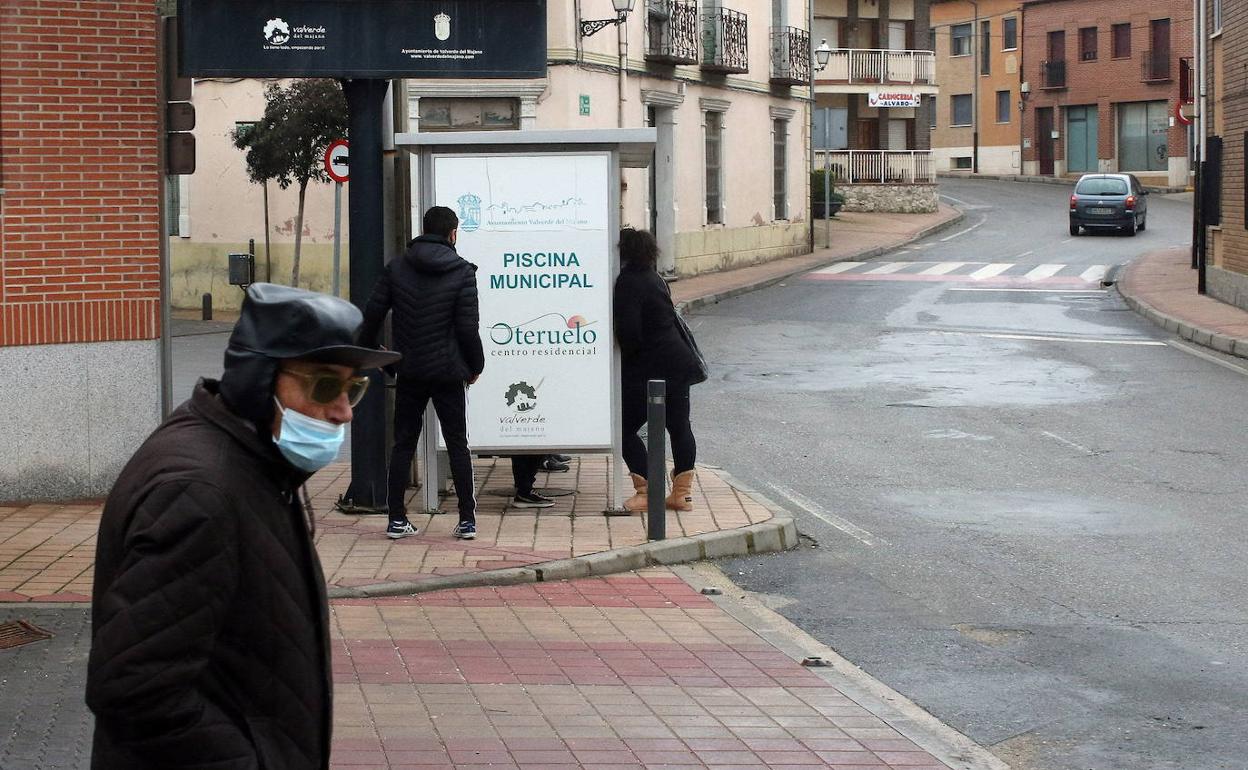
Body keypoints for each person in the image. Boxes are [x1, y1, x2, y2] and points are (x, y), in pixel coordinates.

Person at [86, 284, 399, 770]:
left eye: (353, 386)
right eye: (323, 386)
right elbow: (137, 689)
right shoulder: (200, 492)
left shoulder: (254, 463)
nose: (344, 410)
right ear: (260, 380)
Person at [360, 205, 485, 540]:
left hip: (410, 369)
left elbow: (372, 313)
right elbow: (467, 328)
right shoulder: (462, 272)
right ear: (453, 233)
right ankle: (467, 520)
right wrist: (476, 367)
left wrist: (374, 352)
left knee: (403, 443)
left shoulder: (397, 267)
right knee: (458, 442)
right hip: (448, 373)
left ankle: (397, 519)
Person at [613, 228, 702, 512]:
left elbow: (630, 334)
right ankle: (682, 494)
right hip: (678, 362)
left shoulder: (628, 282)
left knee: (622, 429)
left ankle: (647, 491)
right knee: (679, 427)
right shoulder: (655, 278)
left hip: (649, 368)